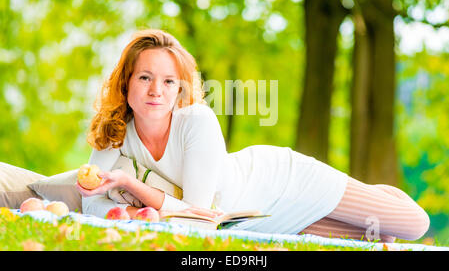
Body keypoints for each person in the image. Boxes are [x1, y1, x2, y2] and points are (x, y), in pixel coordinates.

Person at [77, 29, 430, 242]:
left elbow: (199, 220)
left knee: (413, 225)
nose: (156, 90)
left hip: (282, 181)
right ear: (126, 82)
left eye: (168, 81)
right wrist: (126, 212)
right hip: (255, 220)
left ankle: (375, 195)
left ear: (180, 88)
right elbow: (91, 203)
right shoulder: (114, 130)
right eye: (144, 77)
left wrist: (131, 187)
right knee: (379, 237)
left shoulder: (195, 120)